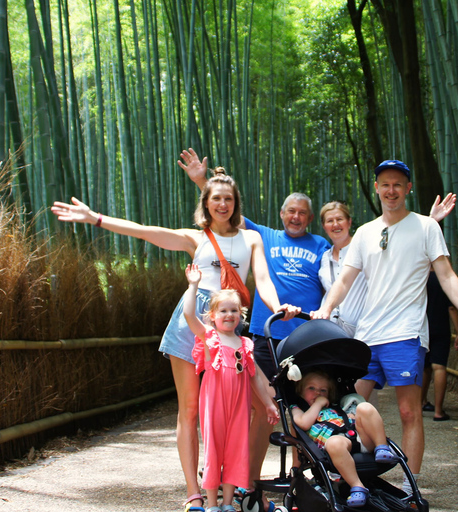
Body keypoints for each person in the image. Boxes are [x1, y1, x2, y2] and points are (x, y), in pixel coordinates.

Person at [51, 165, 298, 512]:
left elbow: (263, 280)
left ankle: (240, 483)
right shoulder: (194, 237)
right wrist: (96, 219)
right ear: (206, 203)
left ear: (236, 203)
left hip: (230, 321)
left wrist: (277, 306)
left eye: (228, 198)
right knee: (191, 409)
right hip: (193, 318)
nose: (223, 204)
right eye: (216, 199)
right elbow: (144, 232)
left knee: (256, 405)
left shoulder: (251, 238)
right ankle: (194, 491)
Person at [312, 159, 458, 494]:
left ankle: (412, 488)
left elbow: (446, 274)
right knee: (348, 409)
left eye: (398, 184)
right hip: (367, 336)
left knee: (409, 411)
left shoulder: (426, 227)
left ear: (408, 188)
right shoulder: (365, 232)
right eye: (385, 184)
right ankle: (350, 478)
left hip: (405, 334)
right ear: (377, 188)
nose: (391, 190)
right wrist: (325, 308)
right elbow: (345, 280)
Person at [180, 149, 329, 501]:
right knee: (261, 407)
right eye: (290, 211)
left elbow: (342, 269)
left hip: (306, 337)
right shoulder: (263, 235)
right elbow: (223, 216)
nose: (296, 217)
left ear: (309, 218)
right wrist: (203, 180)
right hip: (264, 335)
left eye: (302, 213)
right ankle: (245, 480)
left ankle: (301, 475)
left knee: (304, 404)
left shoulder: (321, 244)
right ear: (282, 214)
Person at [183, 264, 279, 512]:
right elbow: (188, 315)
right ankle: (212, 503)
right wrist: (193, 285)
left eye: (234, 310)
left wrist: (268, 403)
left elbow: (255, 376)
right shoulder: (209, 337)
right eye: (223, 310)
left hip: (239, 402)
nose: (229, 315)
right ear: (213, 315)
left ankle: (227, 503)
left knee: (236, 448)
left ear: (241, 314)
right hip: (214, 400)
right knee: (214, 447)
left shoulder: (244, 343)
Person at [317, 197, 456, 337]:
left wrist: (430, 221)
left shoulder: (367, 244)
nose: (335, 224)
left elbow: (399, 246)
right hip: (330, 331)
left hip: (363, 330)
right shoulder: (323, 257)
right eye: (330, 221)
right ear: (323, 226)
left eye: (340, 219)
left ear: (349, 221)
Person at [290, 371, 398, 508]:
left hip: (360, 438)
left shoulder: (335, 407)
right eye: (311, 388)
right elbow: (303, 423)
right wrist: (318, 404)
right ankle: (357, 487)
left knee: (365, 407)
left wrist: (352, 416)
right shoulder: (299, 409)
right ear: (300, 391)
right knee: (335, 443)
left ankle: (382, 447)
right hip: (338, 446)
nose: (317, 393)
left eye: (323, 390)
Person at [421, 271, 458, 421]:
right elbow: (452, 307)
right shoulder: (445, 278)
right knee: (439, 367)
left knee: (424, 367)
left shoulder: (419, 276)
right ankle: (438, 411)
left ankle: (420, 403)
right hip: (441, 328)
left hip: (421, 327)